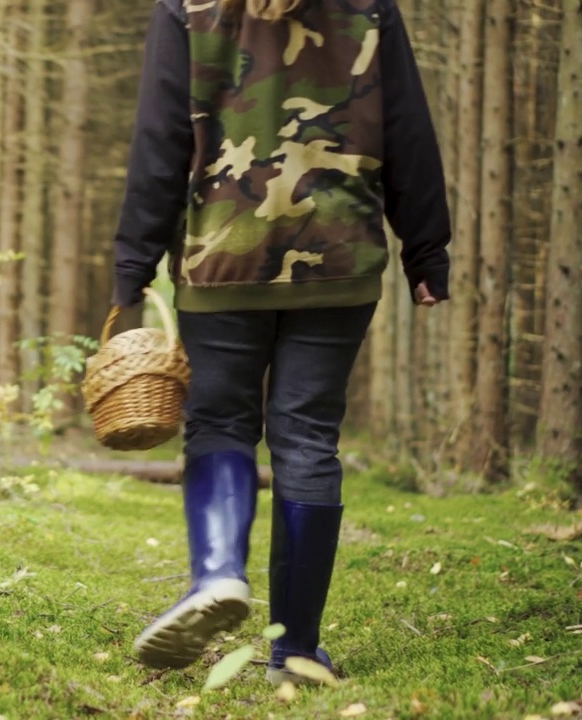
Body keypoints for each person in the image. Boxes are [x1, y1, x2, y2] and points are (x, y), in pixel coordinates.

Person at [110, 0, 450, 684]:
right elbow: (409, 129)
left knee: (220, 422)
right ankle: (295, 650)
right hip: (340, 260)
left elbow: (160, 142)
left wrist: (131, 263)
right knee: (307, 435)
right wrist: (425, 249)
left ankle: (216, 574)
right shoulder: (369, 9)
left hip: (223, 258)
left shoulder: (189, 8)